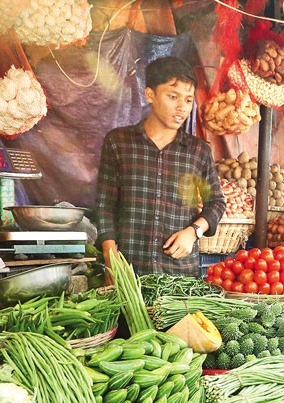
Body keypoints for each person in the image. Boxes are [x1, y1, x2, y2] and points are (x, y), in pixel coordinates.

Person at [96, 56, 226, 276]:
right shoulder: (119, 143)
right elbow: (105, 206)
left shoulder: (197, 151)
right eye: (172, 96)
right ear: (150, 95)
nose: (181, 108)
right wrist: (110, 258)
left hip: (179, 273)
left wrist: (194, 232)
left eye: (187, 99)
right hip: (130, 271)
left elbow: (216, 202)